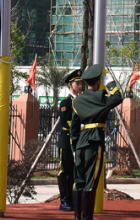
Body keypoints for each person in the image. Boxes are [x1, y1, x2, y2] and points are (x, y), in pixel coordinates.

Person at [70, 64, 123, 220]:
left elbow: (74, 128)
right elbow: (118, 97)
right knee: (91, 181)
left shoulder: (77, 101)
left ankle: (77, 217)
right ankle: (87, 218)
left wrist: (74, 148)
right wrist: (110, 82)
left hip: (80, 143)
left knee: (78, 181)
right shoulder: (102, 97)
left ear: (86, 82)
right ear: (99, 82)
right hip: (94, 142)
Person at [56, 69, 84, 212]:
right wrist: (79, 126)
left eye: (81, 83)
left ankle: (73, 199)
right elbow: (65, 121)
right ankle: (64, 200)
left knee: (74, 172)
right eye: (77, 83)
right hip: (67, 141)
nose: (80, 86)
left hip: (79, 141)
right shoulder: (66, 102)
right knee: (64, 171)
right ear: (70, 85)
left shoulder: (82, 101)